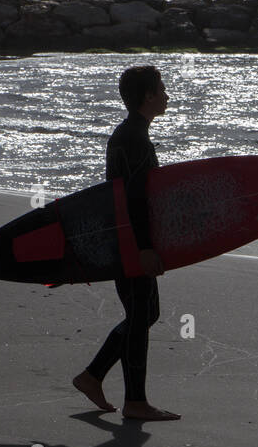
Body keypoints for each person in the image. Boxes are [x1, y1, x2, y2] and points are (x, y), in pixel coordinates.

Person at [72, 65, 179, 421]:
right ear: (148, 95)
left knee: (145, 313)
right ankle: (134, 401)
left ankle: (92, 376)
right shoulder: (133, 138)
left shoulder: (131, 133)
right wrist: (145, 248)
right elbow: (133, 199)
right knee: (140, 314)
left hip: (124, 238)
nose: (166, 95)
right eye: (161, 89)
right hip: (129, 240)